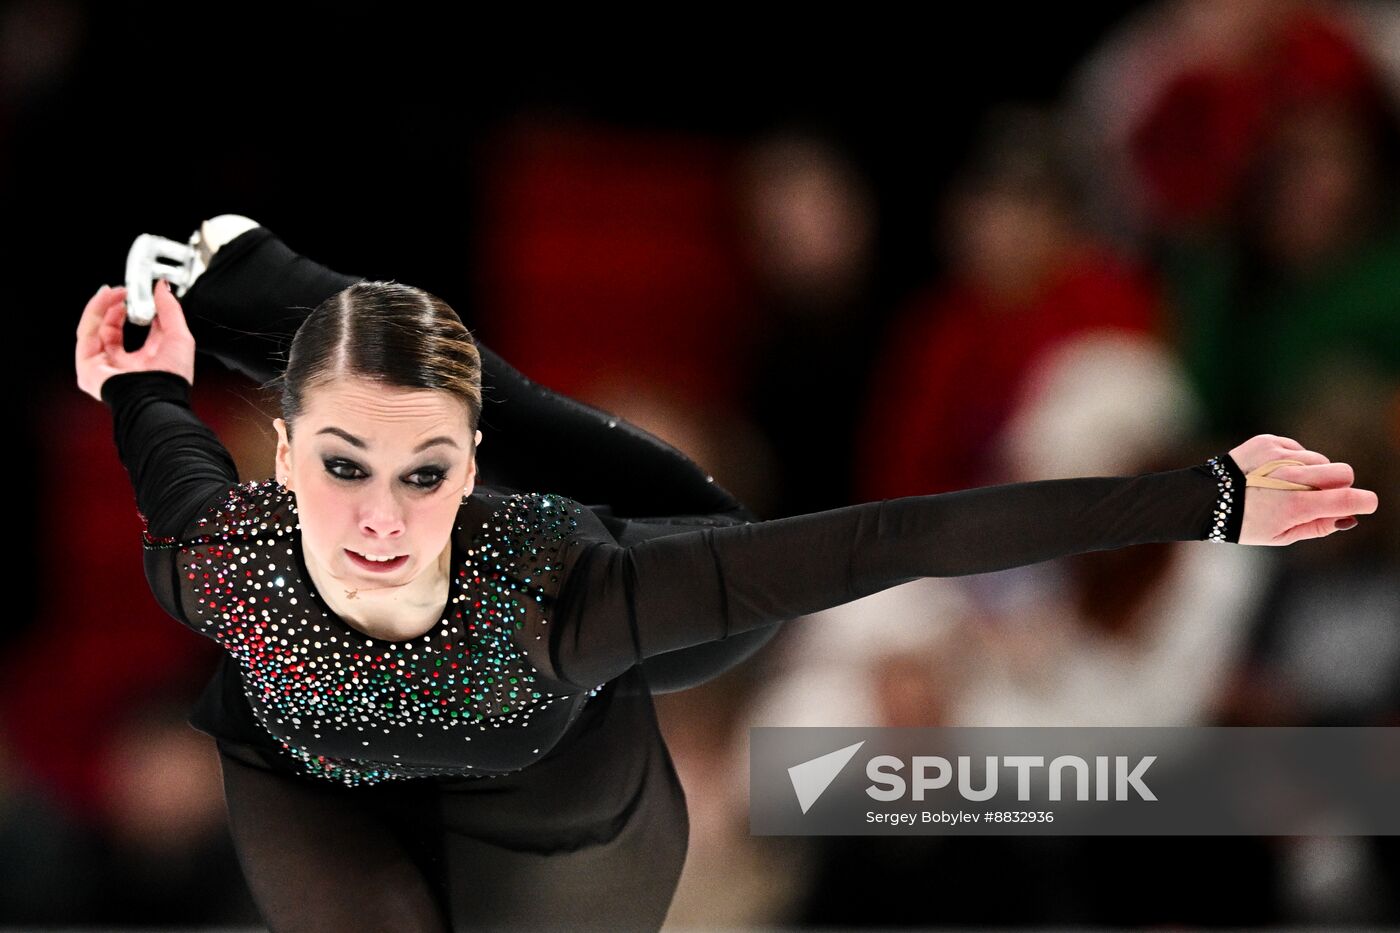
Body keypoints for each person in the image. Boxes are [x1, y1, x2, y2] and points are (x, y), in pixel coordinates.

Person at [75, 223, 1377, 932]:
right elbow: (179, 460)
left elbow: (902, 554)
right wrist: (145, 377)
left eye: (423, 482)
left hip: (730, 735)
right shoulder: (243, 572)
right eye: (346, 475)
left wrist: (1202, 507)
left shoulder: (743, 680)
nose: (379, 525)